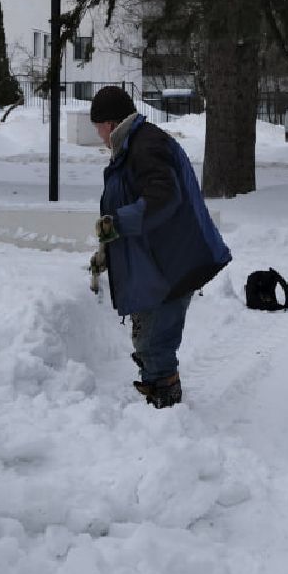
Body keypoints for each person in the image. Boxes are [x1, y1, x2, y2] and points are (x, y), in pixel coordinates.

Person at [89, 86, 231, 408]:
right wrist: (107, 249)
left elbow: (163, 198)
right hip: (161, 259)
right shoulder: (135, 144)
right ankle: (158, 393)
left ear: (110, 124)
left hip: (173, 260)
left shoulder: (145, 145)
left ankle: (165, 402)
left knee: (154, 341)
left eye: (97, 126)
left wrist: (118, 223)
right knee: (149, 336)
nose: (97, 134)